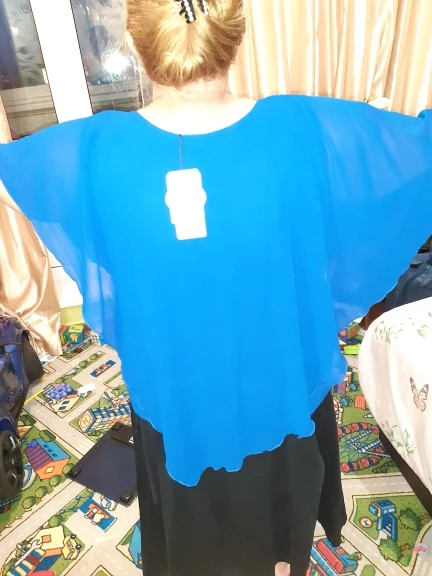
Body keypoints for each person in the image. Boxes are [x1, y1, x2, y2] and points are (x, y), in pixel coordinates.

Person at [0, 1, 432, 574]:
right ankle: (283, 559)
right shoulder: (299, 126)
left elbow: (17, 171)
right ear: (234, 35)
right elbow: (415, 153)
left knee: (193, 529)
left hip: (175, 389)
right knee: (280, 519)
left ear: (134, 43)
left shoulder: (92, 148)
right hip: (278, 378)